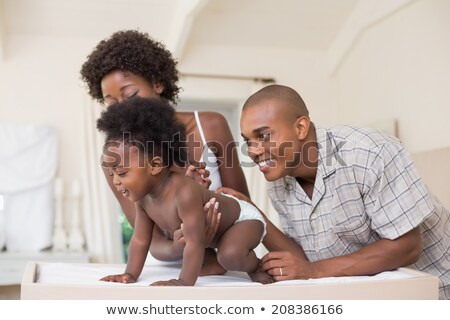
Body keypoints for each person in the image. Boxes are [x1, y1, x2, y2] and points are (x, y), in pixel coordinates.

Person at [222, 84, 450, 299]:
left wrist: (313, 270)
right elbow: (304, 264)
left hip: (436, 292)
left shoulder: (367, 153)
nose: (252, 151)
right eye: (248, 141)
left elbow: (407, 246)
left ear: (300, 128)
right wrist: (252, 212)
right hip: (372, 296)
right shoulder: (279, 184)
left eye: (263, 136)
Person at [80, 30, 250, 273]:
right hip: (169, 271)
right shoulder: (115, 162)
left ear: (158, 83)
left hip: (227, 264)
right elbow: (152, 241)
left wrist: (207, 211)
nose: (123, 107)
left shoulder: (210, 126)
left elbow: (243, 204)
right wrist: (181, 245)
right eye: (111, 102)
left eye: (130, 94)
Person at [96, 97, 272, 286]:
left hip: (243, 219)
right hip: (217, 236)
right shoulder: (144, 200)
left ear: (155, 165)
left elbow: (194, 242)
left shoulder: (184, 192)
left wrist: (183, 281)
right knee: (225, 253)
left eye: (121, 173)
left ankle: (256, 266)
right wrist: (129, 274)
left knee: (229, 255)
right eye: (112, 173)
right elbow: (140, 240)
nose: (115, 181)